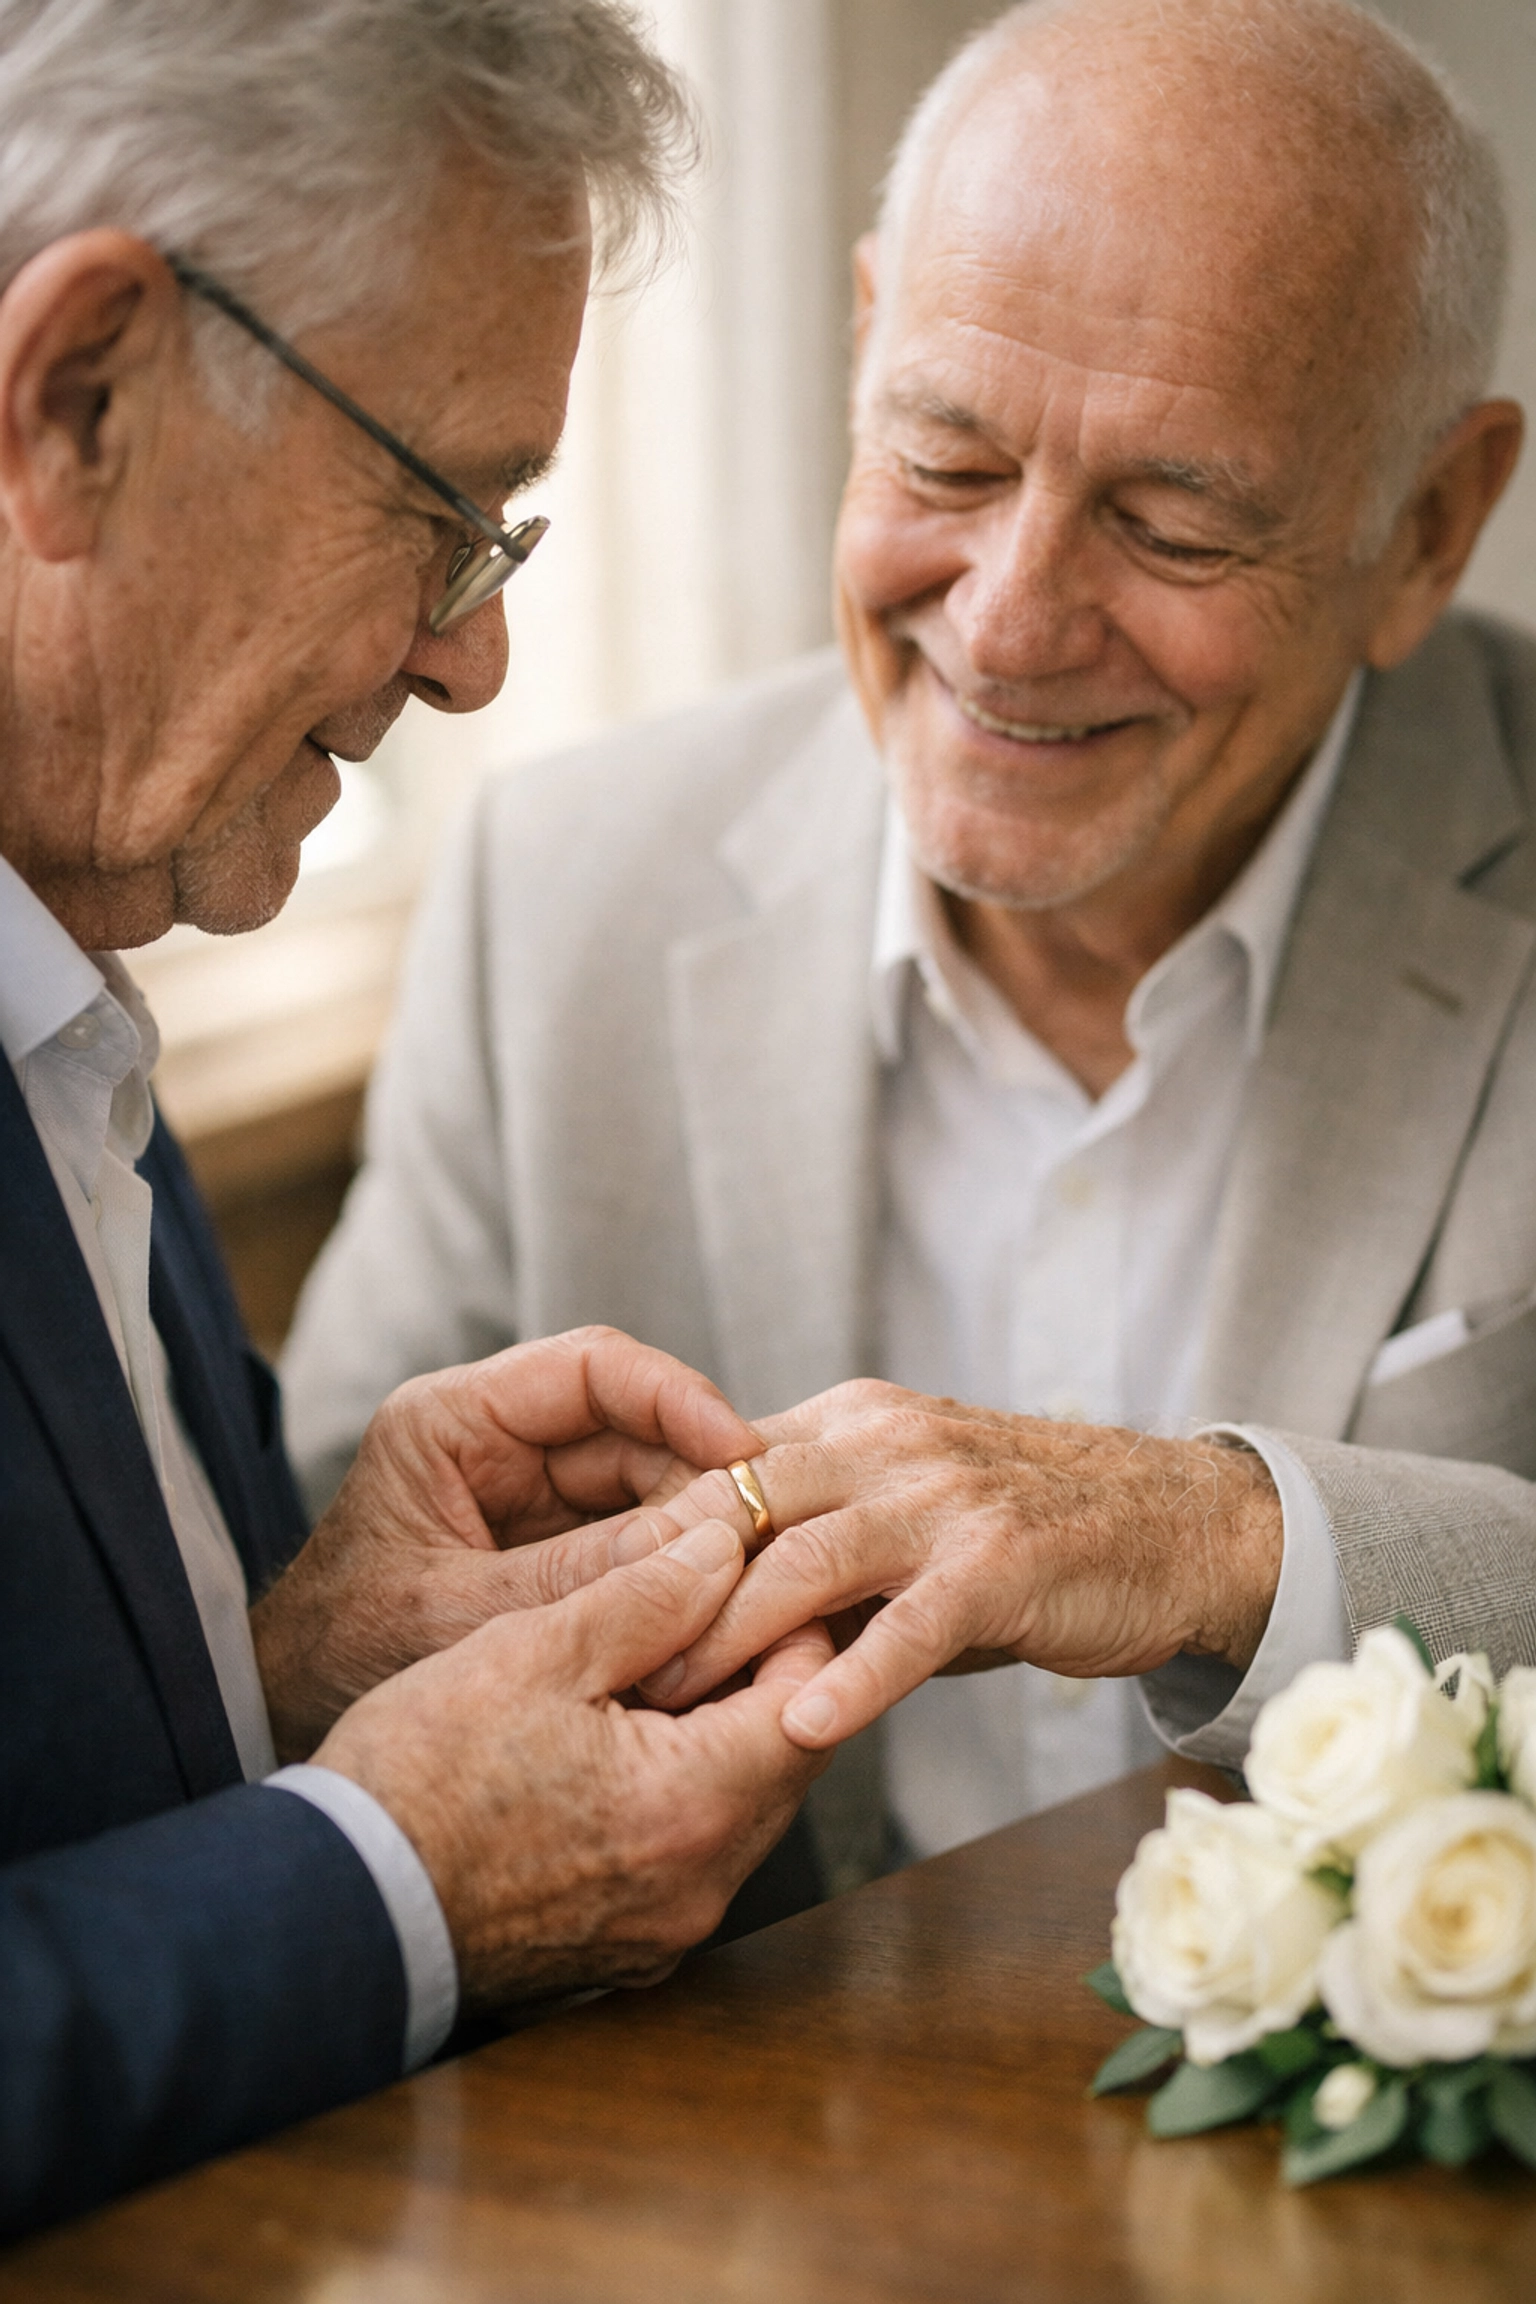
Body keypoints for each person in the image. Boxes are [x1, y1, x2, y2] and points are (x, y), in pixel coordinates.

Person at [284, 0, 1534, 1887]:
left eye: (1172, 522)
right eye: (946, 460)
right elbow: (315, 1615)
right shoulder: (562, 888)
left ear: (1430, 525)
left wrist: (1215, 1540)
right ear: (869, 348)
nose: (1012, 623)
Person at [0, 0, 834, 2242]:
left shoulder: (70, 971)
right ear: (77, 399)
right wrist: (405, 1874)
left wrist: (289, 1672)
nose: (473, 662)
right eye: (440, 508)